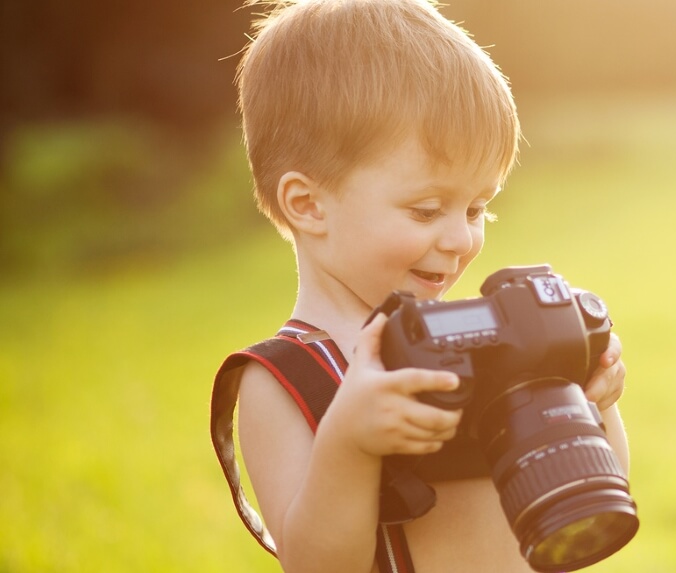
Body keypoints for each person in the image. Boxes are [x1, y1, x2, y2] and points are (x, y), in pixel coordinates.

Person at [210, 1, 629, 571]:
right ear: (308, 205)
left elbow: (592, 504)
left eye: (479, 207)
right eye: (428, 210)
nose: (462, 237)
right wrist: (351, 445)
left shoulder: (479, 348)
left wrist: (587, 401)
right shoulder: (285, 381)